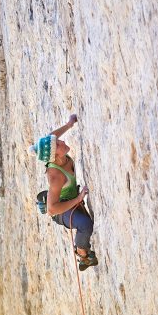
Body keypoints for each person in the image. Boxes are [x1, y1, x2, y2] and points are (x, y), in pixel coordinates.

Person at [29, 114, 97, 270]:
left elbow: (52, 137)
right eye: (59, 144)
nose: (63, 142)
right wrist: (78, 199)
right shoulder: (56, 177)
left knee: (85, 220)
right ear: (54, 156)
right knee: (86, 224)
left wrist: (68, 125)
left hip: (66, 198)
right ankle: (83, 255)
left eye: (59, 141)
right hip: (60, 210)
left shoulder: (55, 154)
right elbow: (52, 209)